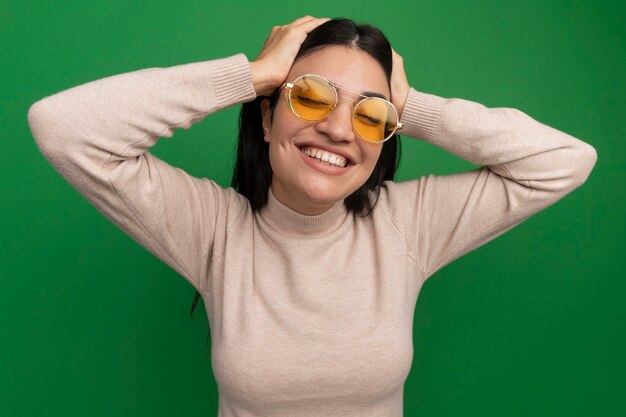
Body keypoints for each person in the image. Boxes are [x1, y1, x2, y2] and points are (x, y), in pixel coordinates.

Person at [27, 15, 597, 417]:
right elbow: (64, 127)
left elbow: (566, 161)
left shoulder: (409, 224)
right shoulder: (213, 229)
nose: (339, 129)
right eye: (313, 97)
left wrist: (412, 106)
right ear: (268, 118)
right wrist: (249, 75)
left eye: (370, 114)